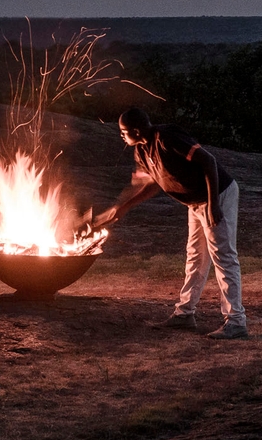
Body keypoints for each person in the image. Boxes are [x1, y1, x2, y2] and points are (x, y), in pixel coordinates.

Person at [92, 108, 248, 338]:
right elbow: (152, 184)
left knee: (223, 256)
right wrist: (122, 207)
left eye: (124, 131)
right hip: (195, 202)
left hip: (218, 195)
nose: (121, 136)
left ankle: (236, 321)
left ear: (136, 130)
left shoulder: (167, 137)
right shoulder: (141, 151)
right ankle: (185, 314)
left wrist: (214, 204)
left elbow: (208, 161)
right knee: (195, 256)